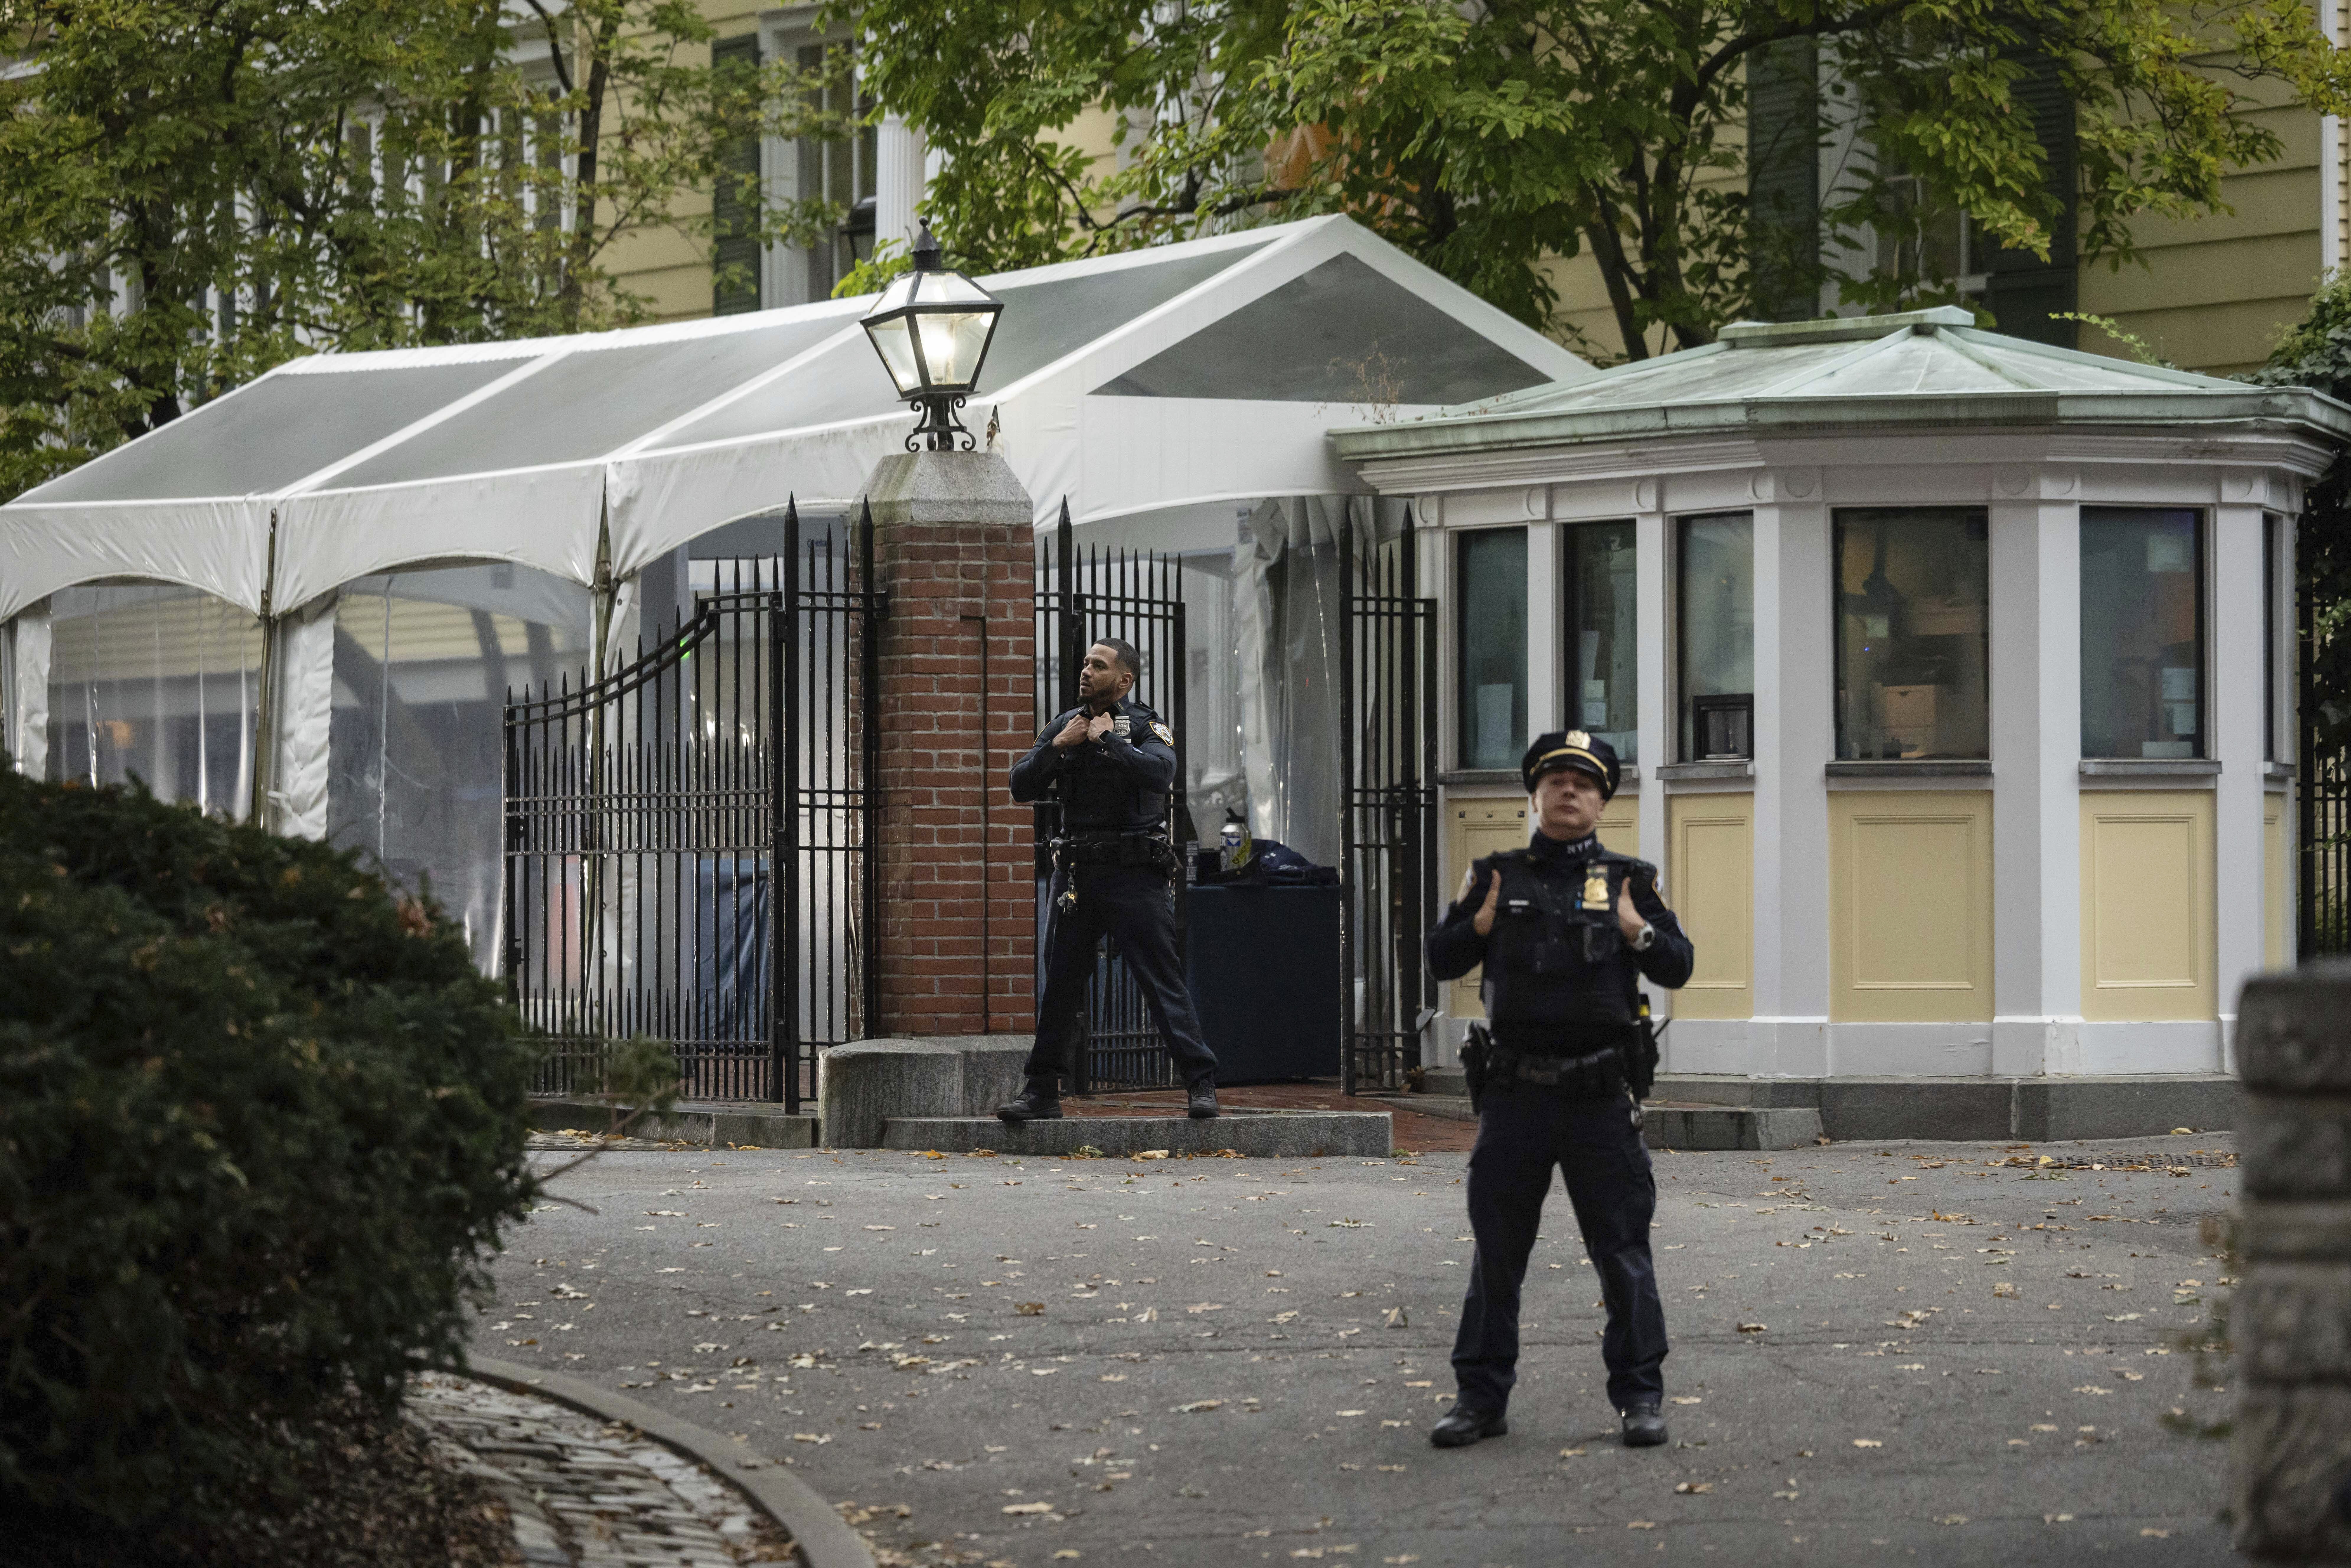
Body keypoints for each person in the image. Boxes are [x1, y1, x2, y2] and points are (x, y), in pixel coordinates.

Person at [1422, 730, 1694, 1451]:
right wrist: (1475, 923)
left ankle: (1639, 1397)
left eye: (1583, 783)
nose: (1568, 791)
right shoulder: (1493, 874)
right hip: (1515, 1095)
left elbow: (1678, 966)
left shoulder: (1630, 878)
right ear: (1535, 795)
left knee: (1622, 1253)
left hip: (1599, 1096)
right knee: (1497, 1254)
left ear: (1602, 799)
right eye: (1556, 781)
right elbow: (1440, 958)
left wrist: (1638, 933)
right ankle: (1479, 1400)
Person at [999, 638, 1219, 1121]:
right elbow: (1020, 785)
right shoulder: (1065, 725)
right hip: (1077, 875)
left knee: (1162, 984)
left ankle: (1201, 1084)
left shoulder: (1145, 726)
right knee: (1059, 985)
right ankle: (1042, 1093)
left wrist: (1109, 740)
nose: (1086, 671)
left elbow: (1160, 775)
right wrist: (1059, 747)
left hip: (1134, 875)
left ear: (1124, 680)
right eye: (1084, 663)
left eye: (1098, 666)